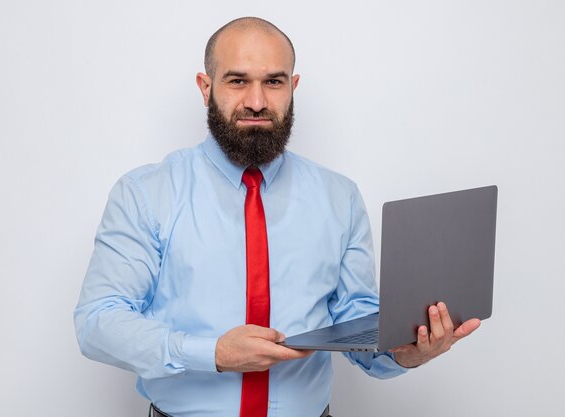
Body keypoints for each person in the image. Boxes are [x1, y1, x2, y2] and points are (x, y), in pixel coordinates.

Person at [74, 17, 480, 417]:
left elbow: (356, 325)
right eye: (237, 81)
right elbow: (98, 321)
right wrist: (212, 353)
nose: (256, 101)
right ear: (205, 87)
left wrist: (404, 352)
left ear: (292, 86)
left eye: (273, 81)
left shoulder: (339, 196)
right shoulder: (146, 193)